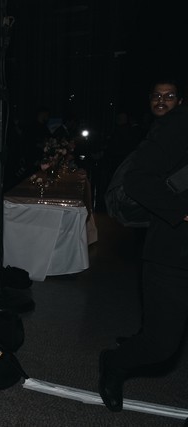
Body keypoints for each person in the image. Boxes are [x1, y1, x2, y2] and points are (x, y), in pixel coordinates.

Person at [98, 101, 188, 412]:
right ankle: (114, 363)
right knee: (161, 345)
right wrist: (182, 211)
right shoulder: (180, 124)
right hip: (175, 254)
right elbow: (138, 180)